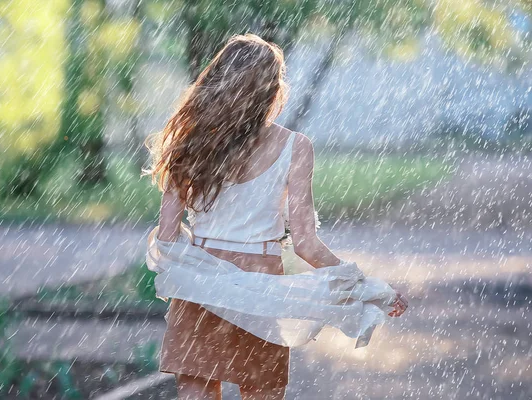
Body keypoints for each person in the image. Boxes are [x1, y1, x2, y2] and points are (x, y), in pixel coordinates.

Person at [142, 33, 408, 400]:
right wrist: (363, 285)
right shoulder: (295, 147)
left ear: (217, 80)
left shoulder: (189, 143)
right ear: (271, 89)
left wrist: (204, 264)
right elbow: (306, 245)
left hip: (198, 286)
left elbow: (168, 240)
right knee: (261, 393)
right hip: (263, 286)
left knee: (196, 393)